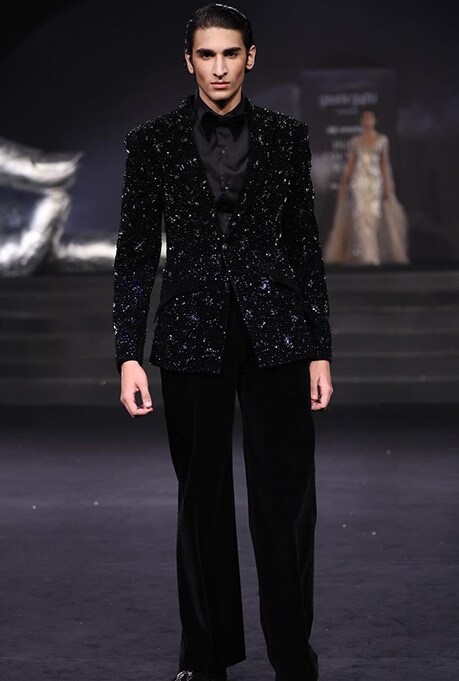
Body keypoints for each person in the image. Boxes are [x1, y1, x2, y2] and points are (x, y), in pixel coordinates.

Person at [112, 5, 333, 681]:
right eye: (205, 55)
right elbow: (135, 253)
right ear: (189, 61)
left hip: (277, 331)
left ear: (250, 57)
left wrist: (319, 347)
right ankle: (204, 655)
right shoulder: (152, 142)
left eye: (229, 54)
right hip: (191, 330)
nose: (218, 68)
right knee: (200, 499)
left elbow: (303, 245)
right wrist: (127, 352)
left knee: (286, 501)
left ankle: (291, 655)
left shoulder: (286, 137)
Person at [324, 109, 409, 265]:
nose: (367, 121)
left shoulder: (382, 140)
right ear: (361, 121)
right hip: (359, 182)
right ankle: (367, 256)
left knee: (373, 217)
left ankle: (372, 253)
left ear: (375, 120)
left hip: (375, 183)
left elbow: (384, 164)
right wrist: (343, 183)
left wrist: (387, 185)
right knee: (360, 217)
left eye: (370, 118)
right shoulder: (356, 142)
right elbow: (351, 164)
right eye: (365, 118)